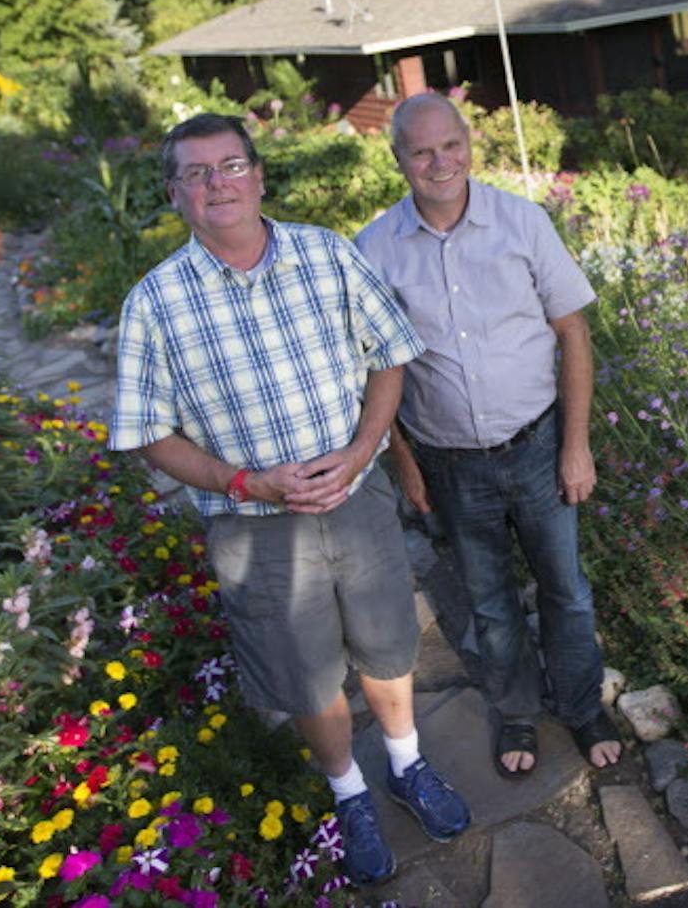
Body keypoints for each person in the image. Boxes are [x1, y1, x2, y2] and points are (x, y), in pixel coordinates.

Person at [109, 112, 469, 885]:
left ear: (259, 174)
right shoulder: (156, 302)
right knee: (306, 672)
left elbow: (389, 358)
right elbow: (148, 431)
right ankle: (350, 793)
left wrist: (362, 449)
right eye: (198, 173)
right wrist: (244, 482)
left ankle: (406, 765)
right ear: (176, 194)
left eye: (231, 165)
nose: (218, 183)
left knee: (386, 640)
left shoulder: (326, 253)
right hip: (255, 525)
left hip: (355, 495)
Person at [355, 92, 624, 779]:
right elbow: (373, 368)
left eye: (450, 145)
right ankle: (514, 711)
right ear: (399, 159)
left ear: (468, 143)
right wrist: (404, 461)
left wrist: (576, 442)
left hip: (537, 446)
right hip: (448, 463)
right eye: (421, 150)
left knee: (566, 589)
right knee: (490, 603)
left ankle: (582, 703)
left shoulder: (521, 222)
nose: (439, 162)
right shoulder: (375, 248)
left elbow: (573, 332)